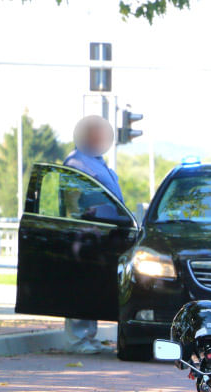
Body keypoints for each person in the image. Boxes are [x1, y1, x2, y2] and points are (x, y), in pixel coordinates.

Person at [62, 115, 122, 354]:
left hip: (103, 235)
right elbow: (72, 199)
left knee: (92, 287)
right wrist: (81, 214)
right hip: (85, 233)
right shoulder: (76, 162)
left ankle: (88, 336)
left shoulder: (98, 161)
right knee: (80, 286)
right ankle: (76, 340)